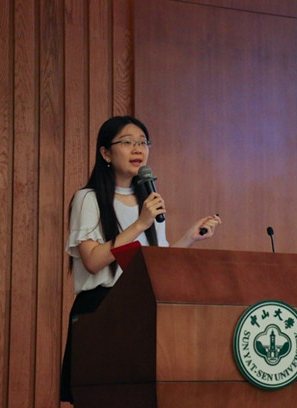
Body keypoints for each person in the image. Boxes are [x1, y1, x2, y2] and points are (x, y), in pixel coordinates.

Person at [60, 116, 221, 403]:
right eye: (127, 142)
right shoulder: (88, 199)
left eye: (143, 142)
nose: (138, 149)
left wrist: (190, 238)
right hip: (100, 311)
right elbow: (93, 261)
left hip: (140, 312)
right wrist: (140, 224)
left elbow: (157, 263)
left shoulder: (150, 202)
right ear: (106, 153)